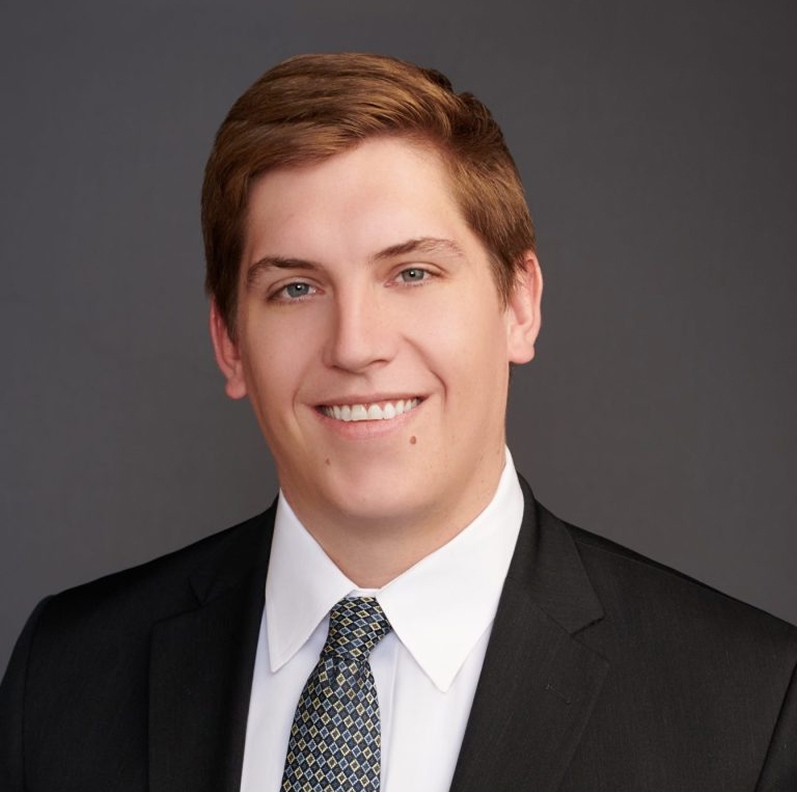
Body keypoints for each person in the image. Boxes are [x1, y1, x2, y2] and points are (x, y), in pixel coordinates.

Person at [1, 52, 795, 792]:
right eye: (296, 289)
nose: (356, 346)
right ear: (229, 343)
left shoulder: (748, 707)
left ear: (518, 305)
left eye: (411, 272)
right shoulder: (65, 674)